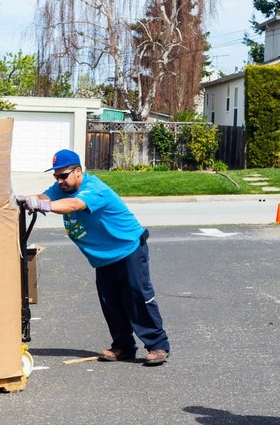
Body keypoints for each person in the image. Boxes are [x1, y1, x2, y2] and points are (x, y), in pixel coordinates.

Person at [21, 149, 171, 366]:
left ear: (78, 171)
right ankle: (123, 346)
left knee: (137, 298)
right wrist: (25, 200)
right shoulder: (60, 188)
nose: (59, 181)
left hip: (127, 248)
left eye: (63, 175)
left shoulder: (94, 188)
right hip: (103, 257)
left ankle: (157, 345)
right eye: (56, 176)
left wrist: (44, 206)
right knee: (111, 303)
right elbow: (45, 197)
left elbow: (75, 205)